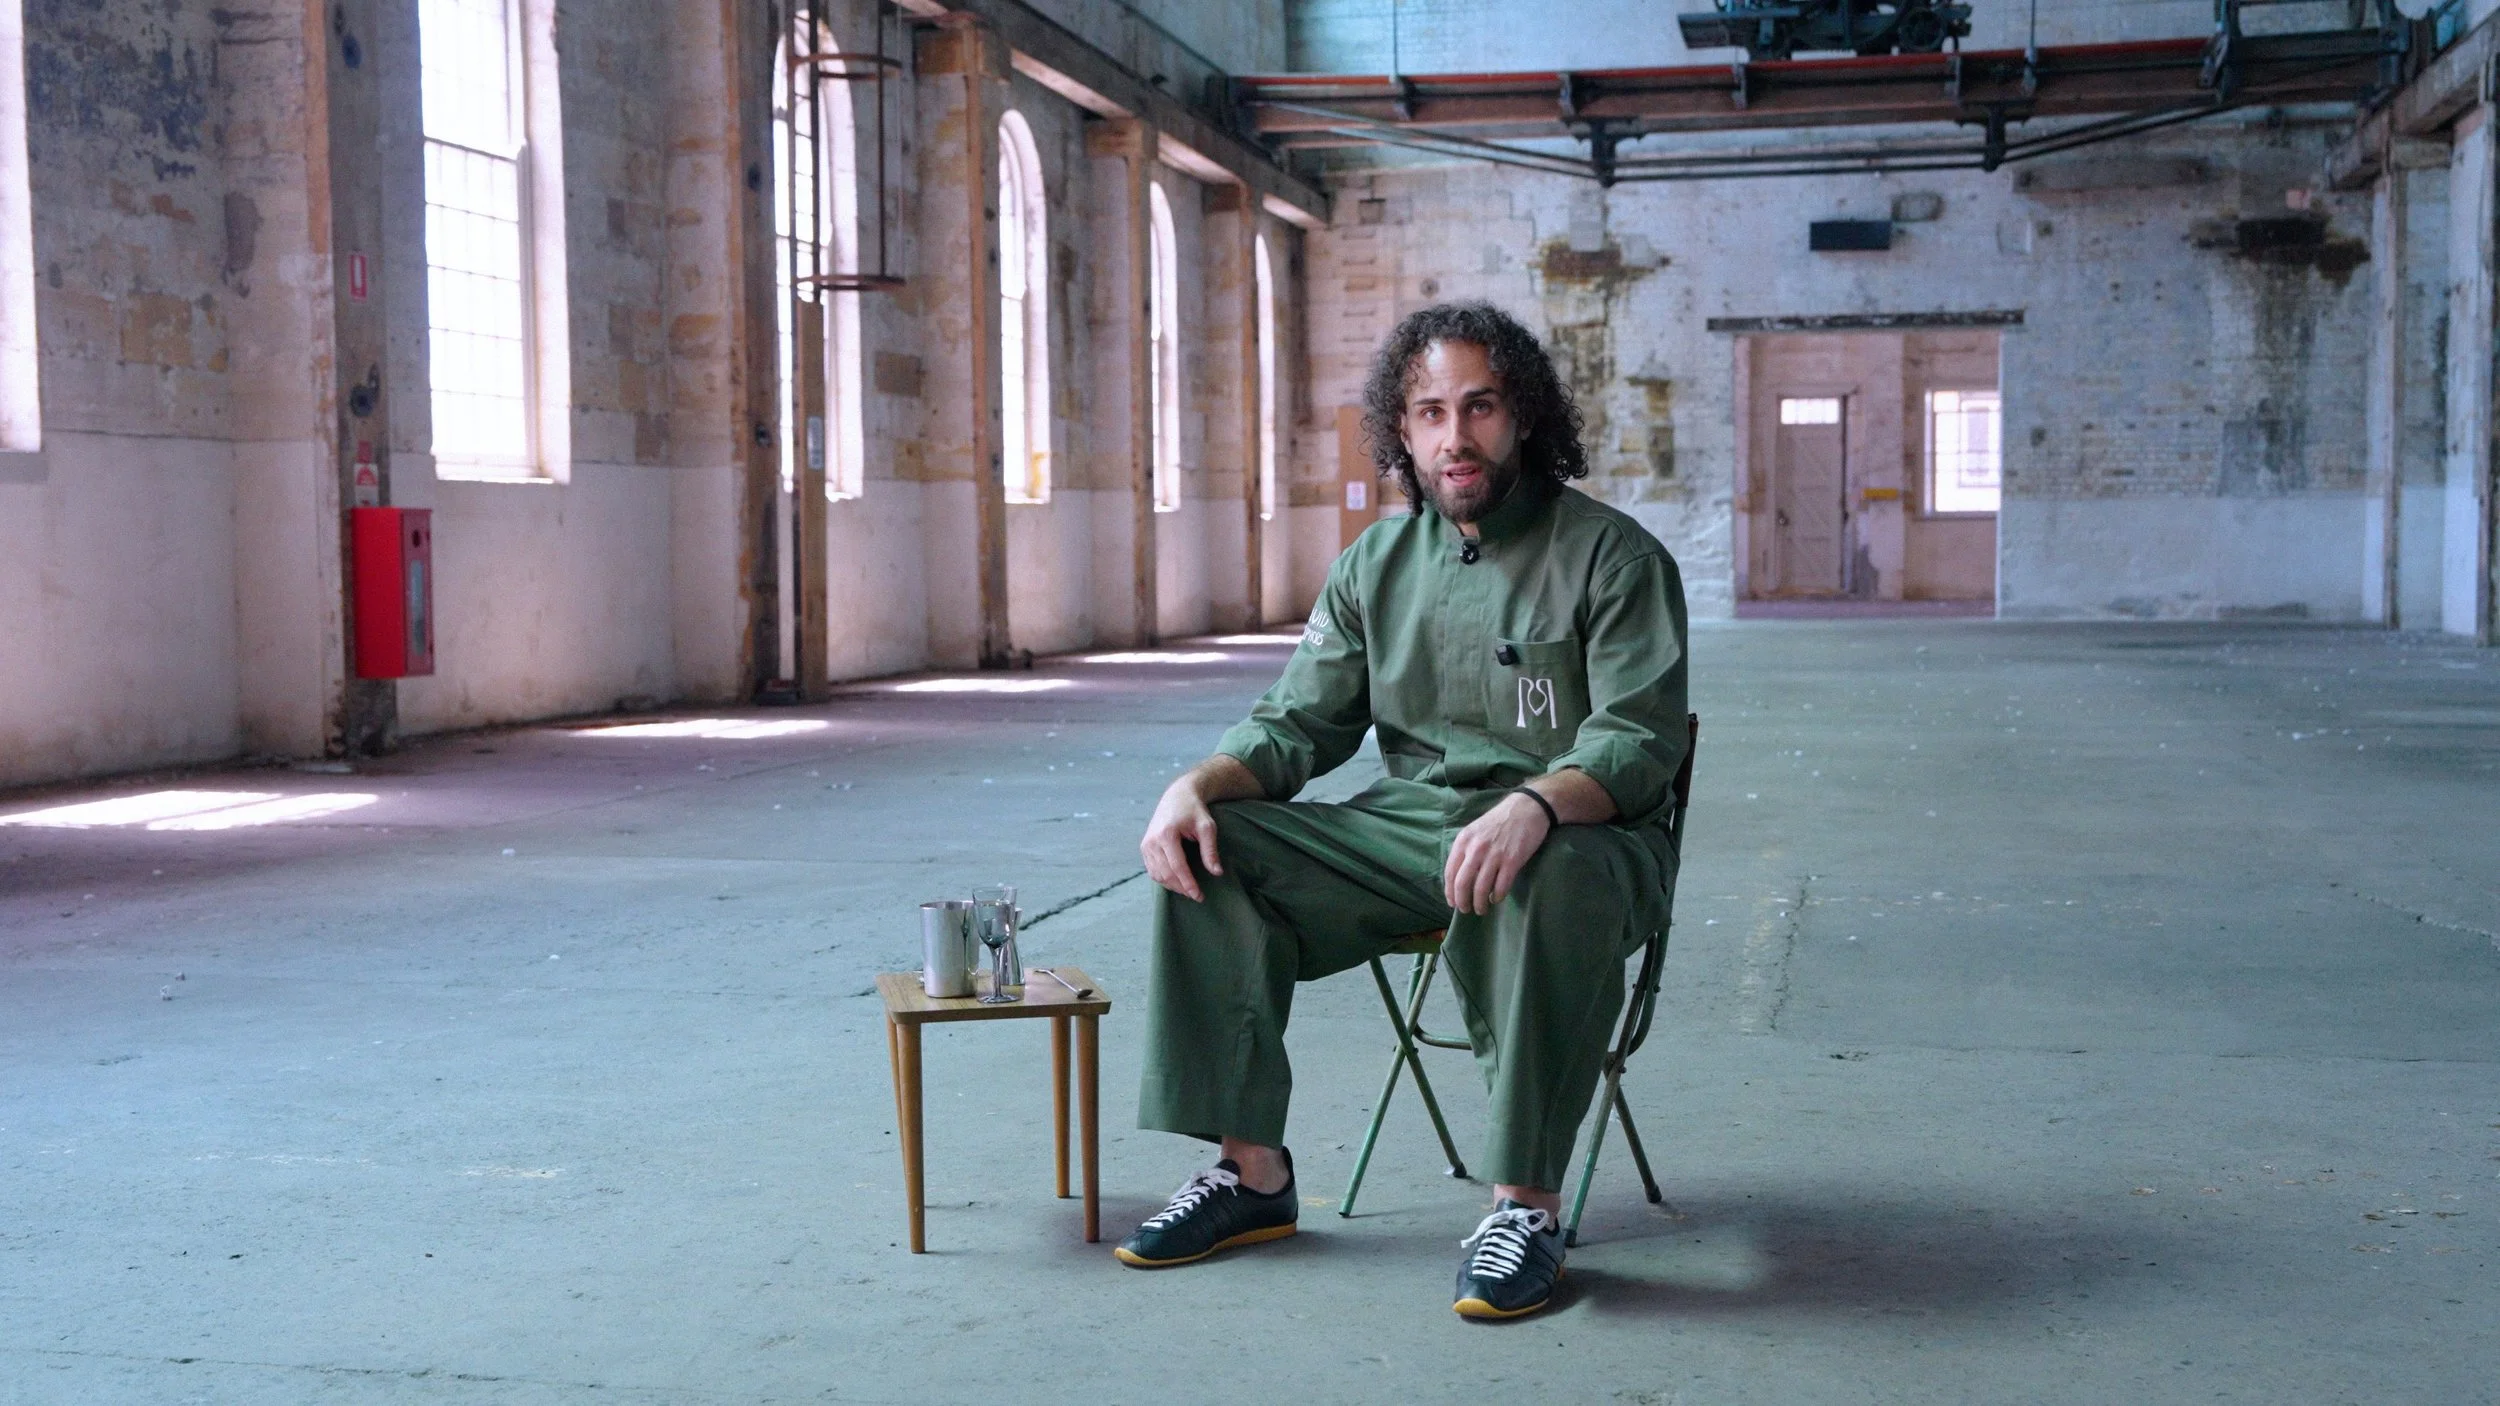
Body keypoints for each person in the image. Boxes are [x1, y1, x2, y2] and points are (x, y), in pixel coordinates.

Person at [1114, 301, 1691, 1320]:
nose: (1453, 436)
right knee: (1215, 845)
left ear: (1524, 417)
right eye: (1427, 412)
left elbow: (1639, 739)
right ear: (1401, 430)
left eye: (1478, 405)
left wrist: (1537, 803)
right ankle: (1250, 1175)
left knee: (1544, 868)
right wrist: (1195, 784)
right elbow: (1297, 723)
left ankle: (1526, 1205)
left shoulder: (1613, 558)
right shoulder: (1373, 567)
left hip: (1583, 846)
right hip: (1410, 833)